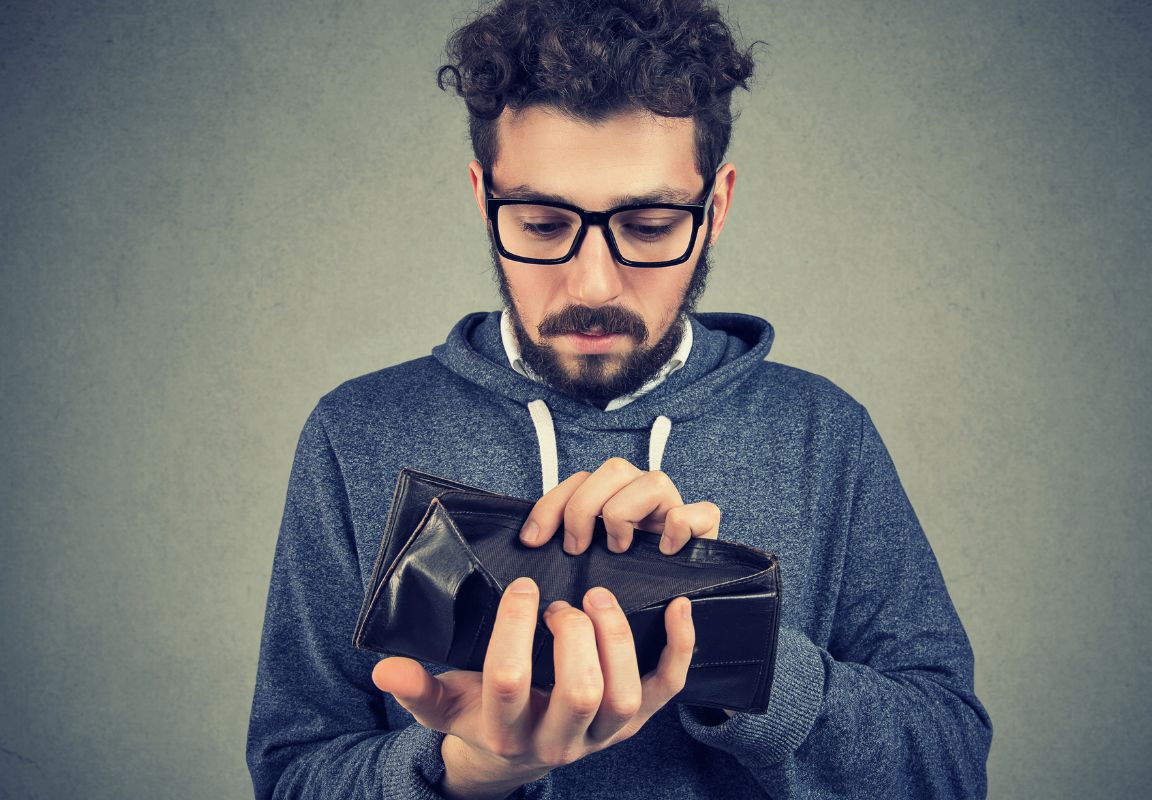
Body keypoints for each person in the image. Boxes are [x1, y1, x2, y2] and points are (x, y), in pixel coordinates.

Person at [246, 0, 993, 797]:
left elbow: (946, 766)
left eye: (646, 225)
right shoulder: (357, 431)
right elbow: (294, 773)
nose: (593, 284)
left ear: (717, 206)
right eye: (539, 224)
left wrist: (720, 638)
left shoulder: (824, 434)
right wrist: (465, 772)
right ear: (481, 195)